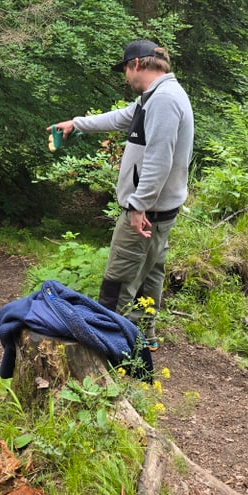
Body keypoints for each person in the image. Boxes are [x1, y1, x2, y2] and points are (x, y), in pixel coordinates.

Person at [49, 39, 193, 351]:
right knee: (150, 274)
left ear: (137, 64)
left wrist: (138, 205)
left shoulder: (165, 100)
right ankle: (144, 337)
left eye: (126, 69)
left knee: (118, 279)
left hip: (148, 210)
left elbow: (159, 159)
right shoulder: (153, 98)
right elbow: (119, 118)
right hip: (158, 209)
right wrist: (77, 124)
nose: (125, 77)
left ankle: (108, 347)